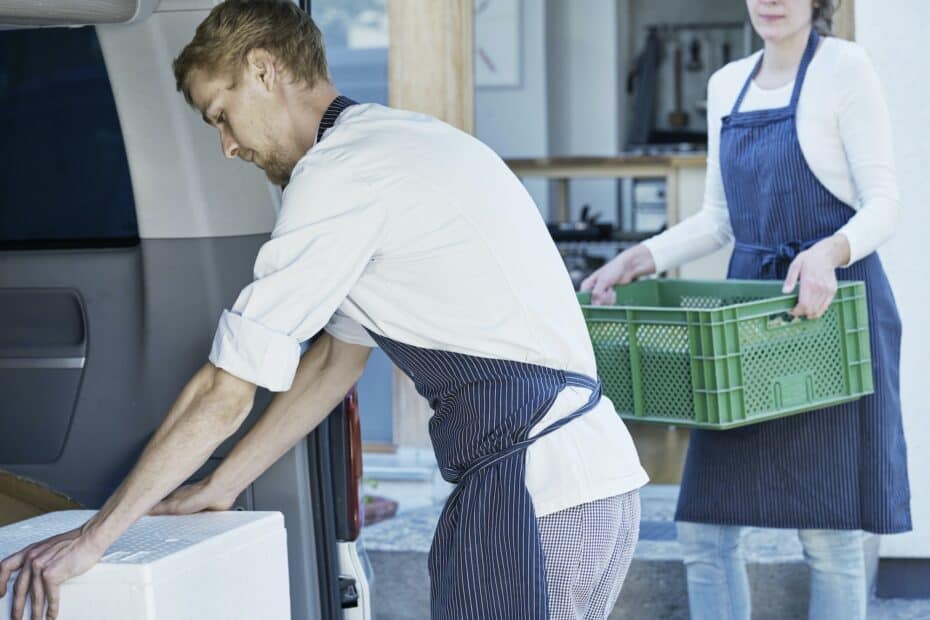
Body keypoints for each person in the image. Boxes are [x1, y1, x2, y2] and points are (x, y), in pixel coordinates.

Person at [0, 2, 648, 619]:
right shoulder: (392, 144)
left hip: (537, 490)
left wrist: (95, 538)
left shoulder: (341, 176)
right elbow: (336, 361)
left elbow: (227, 388)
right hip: (586, 483)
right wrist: (224, 484)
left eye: (220, 115)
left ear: (263, 69)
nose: (226, 145)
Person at [582, 1, 910, 618]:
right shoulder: (726, 83)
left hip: (831, 321)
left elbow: (884, 204)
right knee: (705, 529)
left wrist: (827, 252)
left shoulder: (846, 68)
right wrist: (639, 258)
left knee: (831, 535)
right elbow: (718, 220)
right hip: (745, 329)